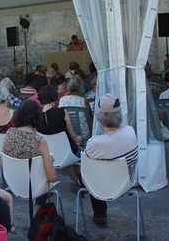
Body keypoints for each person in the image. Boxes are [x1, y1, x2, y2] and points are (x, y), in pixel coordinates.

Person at [83, 94, 138, 228]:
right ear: (119, 114)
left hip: (101, 188)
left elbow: (86, 168)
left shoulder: (95, 143)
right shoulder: (131, 132)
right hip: (127, 182)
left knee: (90, 172)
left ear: (100, 117)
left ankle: (100, 215)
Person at [37, 85, 82, 182]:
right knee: (77, 148)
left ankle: (77, 181)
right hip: (67, 152)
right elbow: (73, 136)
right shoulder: (62, 112)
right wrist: (79, 138)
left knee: (69, 153)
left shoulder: (37, 118)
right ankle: (80, 181)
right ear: (54, 97)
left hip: (50, 155)